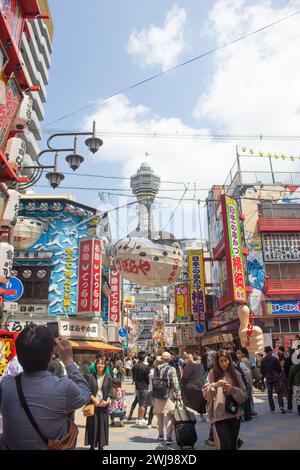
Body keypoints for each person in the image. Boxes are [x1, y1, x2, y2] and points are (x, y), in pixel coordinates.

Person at [0, 324, 91, 450]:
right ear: (50, 356)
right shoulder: (63, 388)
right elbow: (85, 393)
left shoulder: (5, 386)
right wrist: (69, 362)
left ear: (19, 357)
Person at [202, 349, 246, 450]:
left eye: (226, 360)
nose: (224, 363)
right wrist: (215, 386)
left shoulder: (236, 374)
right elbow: (206, 394)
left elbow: (243, 396)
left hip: (234, 414)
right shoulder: (212, 374)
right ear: (217, 362)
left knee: (232, 445)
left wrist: (232, 389)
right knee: (224, 446)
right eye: (221, 361)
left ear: (229, 360)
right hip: (219, 416)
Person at [84, 353, 113, 450]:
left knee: (102, 424)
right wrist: (94, 399)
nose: (100, 365)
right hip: (93, 404)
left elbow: (110, 392)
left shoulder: (108, 377)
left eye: (102, 364)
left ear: (105, 366)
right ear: (95, 365)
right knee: (92, 424)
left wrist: (107, 401)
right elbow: (87, 390)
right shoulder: (90, 376)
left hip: (103, 405)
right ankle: (92, 445)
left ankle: (101, 445)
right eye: (98, 364)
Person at [153, 351, 181, 445]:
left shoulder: (156, 368)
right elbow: (175, 382)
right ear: (169, 359)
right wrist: (178, 393)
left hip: (157, 394)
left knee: (159, 416)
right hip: (168, 394)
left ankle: (160, 435)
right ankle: (168, 437)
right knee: (169, 415)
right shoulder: (171, 369)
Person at [180, 353, 207, 421]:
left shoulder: (187, 366)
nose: (186, 359)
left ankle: (193, 415)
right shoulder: (199, 365)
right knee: (200, 401)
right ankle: (201, 416)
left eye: (187, 358)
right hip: (199, 384)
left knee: (189, 401)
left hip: (191, 385)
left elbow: (185, 376)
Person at [260, 346, 285, 413]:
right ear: (270, 351)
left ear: (265, 352)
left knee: (270, 393)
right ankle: (281, 406)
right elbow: (279, 368)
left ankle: (272, 409)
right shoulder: (275, 359)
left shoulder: (263, 360)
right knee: (279, 392)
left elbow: (262, 370)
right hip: (275, 377)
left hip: (268, 377)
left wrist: (264, 375)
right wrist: (277, 373)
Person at [132, 351, 150, 426]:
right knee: (143, 404)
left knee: (140, 403)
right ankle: (141, 419)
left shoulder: (134, 366)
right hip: (144, 386)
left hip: (137, 386)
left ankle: (139, 418)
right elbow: (147, 378)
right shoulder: (146, 367)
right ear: (144, 358)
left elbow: (133, 377)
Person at [288, 351, 300, 416]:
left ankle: (299, 410)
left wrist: (289, 385)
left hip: (297, 384)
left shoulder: (293, 366)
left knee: (298, 398)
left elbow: (290, 377)